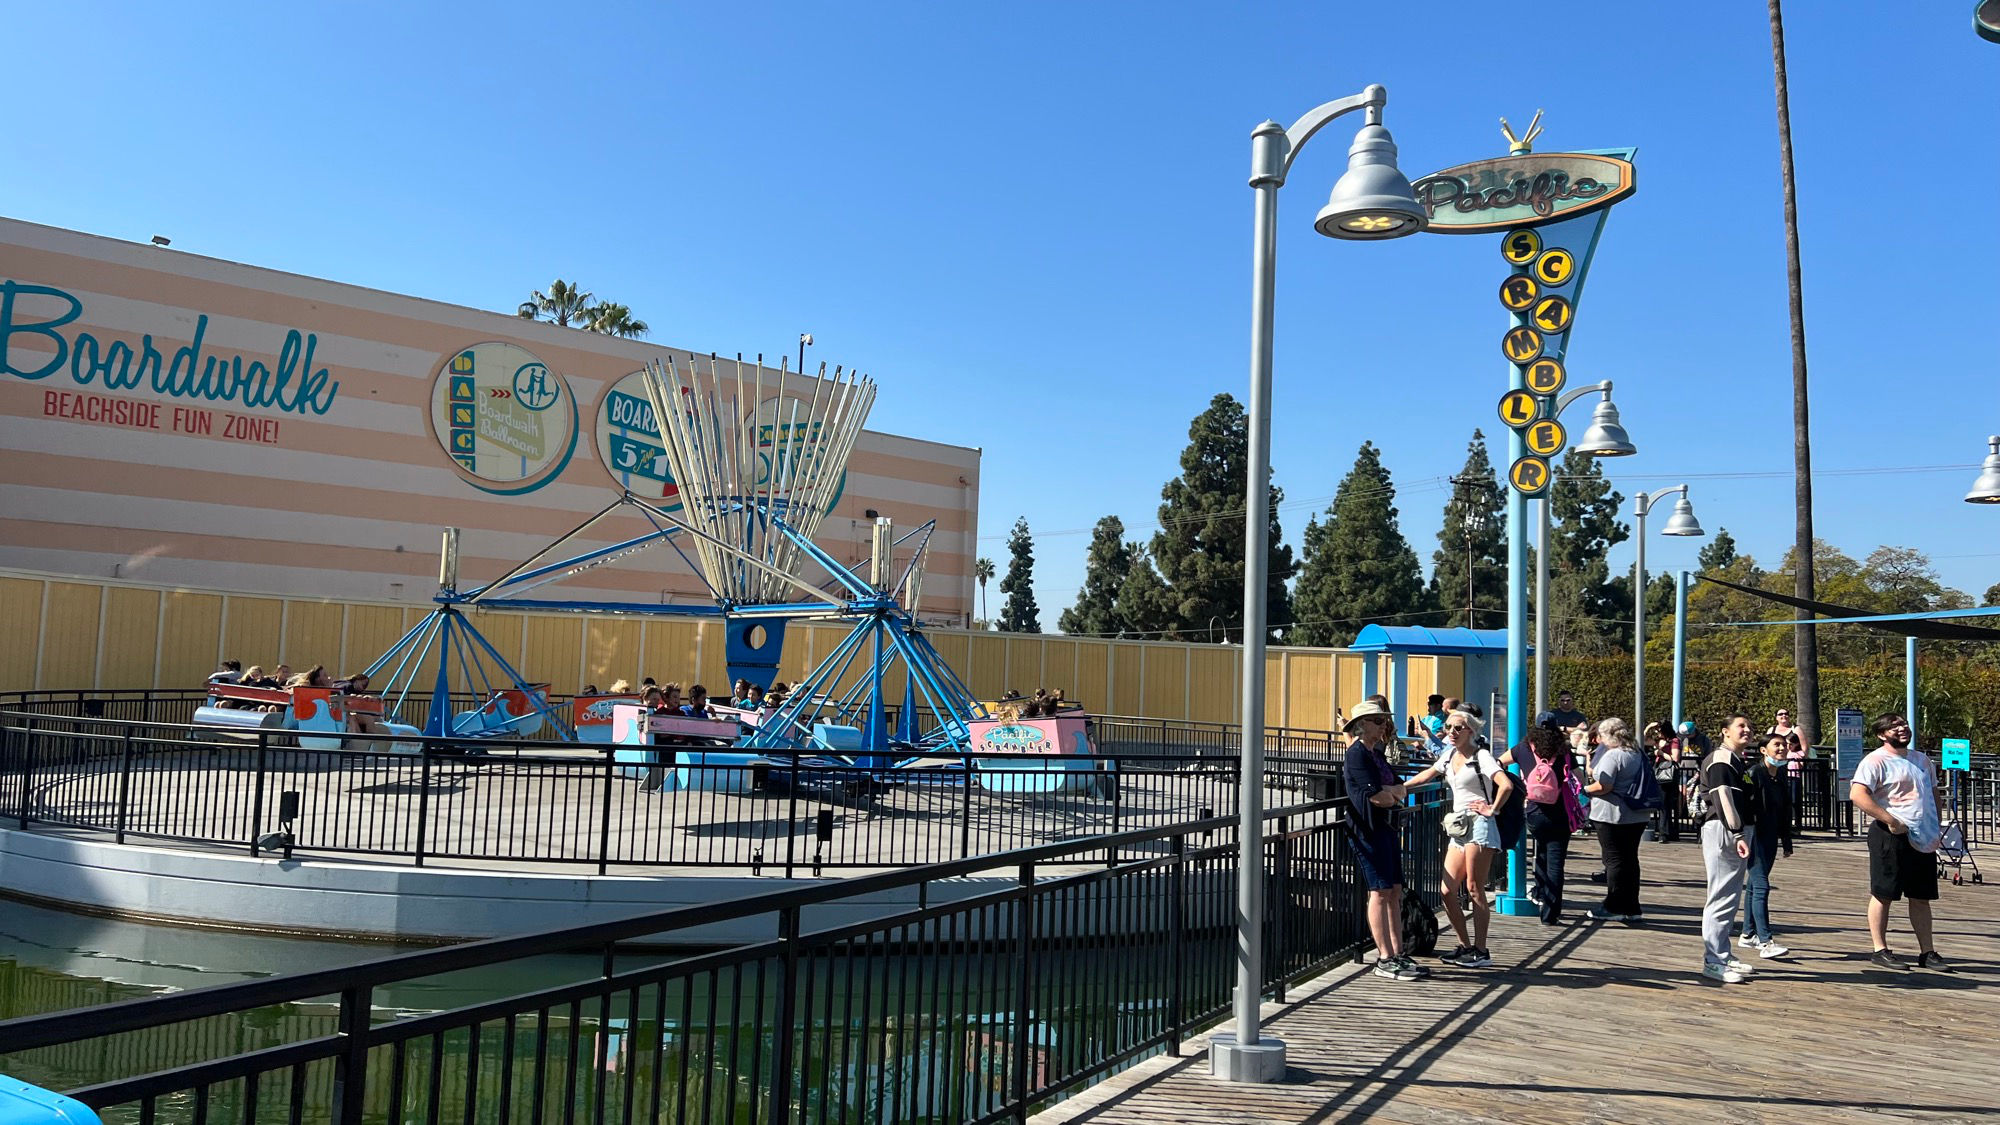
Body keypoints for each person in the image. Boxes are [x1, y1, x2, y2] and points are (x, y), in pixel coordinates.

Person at [1405, 709, 1512, 968]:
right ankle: (1465, 945)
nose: (1451, 732)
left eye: (1458, 728)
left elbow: (1505, 784)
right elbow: (1427, 775)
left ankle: (1481, 950)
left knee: (1474, 888)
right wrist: (1399, 788)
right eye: (1449, 727)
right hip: (1459, 828)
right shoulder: (1449, 754)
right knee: (1446, 890)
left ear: (1471, 731)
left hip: (1480, 826)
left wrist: (1492, 809)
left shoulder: (1482, 756)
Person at [1849, 713, 1950, 972]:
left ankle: (1927, 952)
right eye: (1894, 726)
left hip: (1922, 838)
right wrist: (1889, 819)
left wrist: (1936, 824)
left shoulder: (1921, 760)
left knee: (1921, 896)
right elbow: (1858, 795)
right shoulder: (1875, 761)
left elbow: (1933, 793)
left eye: (1903, 724)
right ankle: (1879, 949)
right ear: (1883, 735)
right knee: (1884, 894)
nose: (1902, 728)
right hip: (1889, 835)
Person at [1340, 700, 1427, 982]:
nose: (1383, 725)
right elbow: (1378, 797)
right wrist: (1391, 792)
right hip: (1368, 830)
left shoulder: (1375, 753)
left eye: (1384, 720)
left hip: (1386, 828)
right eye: (1377, 721)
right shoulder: (1357, 755)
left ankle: (1398, 952)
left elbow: (1395, 787)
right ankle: (1384, 957)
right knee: (1379, 892)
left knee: (1394, 889)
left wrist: (1392, 792)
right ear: (1362, 725)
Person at [1696, 714, 1760, 984]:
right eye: (1740, 726)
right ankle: (1713, 959)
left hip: (1735, 831)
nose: (1747, 730)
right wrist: (1737, 833)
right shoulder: (1721, 760)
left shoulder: (1736, 760)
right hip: (1725, 831)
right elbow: (1723, 798)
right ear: (1725, 732)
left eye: (1749, 726)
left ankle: (1723, 953)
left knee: (1729, 896)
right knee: (1721, 896)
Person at [1583, 717, 1647, 922]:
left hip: (1612, 814)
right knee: (1630, 859)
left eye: (1601, 736)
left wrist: (1583, 791)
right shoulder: (1637, 753)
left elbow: (1604, 786)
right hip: (1637, 814)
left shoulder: (1613, 755)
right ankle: (1632, 906)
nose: (1599, 740)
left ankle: (1613, 906)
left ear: (1609, 736)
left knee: (1613, 860)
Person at [1737, 732, 1795, 959]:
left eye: (1784, 745)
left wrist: (1786, 841)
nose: (1782, 749)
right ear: (1763, 750)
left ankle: (1747, 933)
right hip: (1755, 836)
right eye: (1776, 745)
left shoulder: (1779, 775)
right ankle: (1765, 940)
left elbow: (1784, 810)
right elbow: (1745, 804)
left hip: (1771, 838)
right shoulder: (1754, 773)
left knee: (1754, 885)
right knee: (1761, 886)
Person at [1520, 722, 1578, 926]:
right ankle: (1550, 913)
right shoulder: (1564, 751)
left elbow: (1500, 762)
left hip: (1535, 814)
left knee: (1540, 853)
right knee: (1556, 863)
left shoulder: (1524, 748)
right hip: (1560, 814)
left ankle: (1539, 892)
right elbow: (1577, 777)